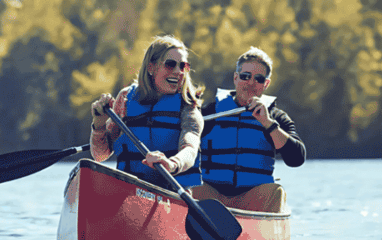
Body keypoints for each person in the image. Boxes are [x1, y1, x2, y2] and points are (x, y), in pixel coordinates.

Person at [193, 46, 305, 213]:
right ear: (236, 78)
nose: (251, 83)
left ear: (266, 84)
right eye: (245, 76)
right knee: (190, 184)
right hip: (212, 196)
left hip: (253, 200)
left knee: (276, 192)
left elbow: (297, 158)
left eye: (258, 79)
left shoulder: (276, 117)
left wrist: (267, 123)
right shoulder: (210, 112)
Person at [89, 34, 204, 188]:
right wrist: (99, 125)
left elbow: (190, 148)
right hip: (129, 189)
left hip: (172, 193)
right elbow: (100, 155)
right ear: (151, 67)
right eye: (170, 64)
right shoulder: (125, 98)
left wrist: (171, 164)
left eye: (183, 66)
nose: (179, 71)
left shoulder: (188, 105)